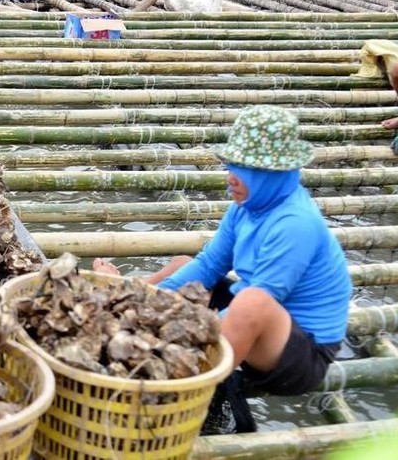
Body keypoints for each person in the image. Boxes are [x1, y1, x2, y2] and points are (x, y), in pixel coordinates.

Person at [95, 105, 352, 434]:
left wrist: (176, 337)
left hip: (303, 351)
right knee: (185, 266)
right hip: (262, 320)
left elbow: (260, 299)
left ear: (274, 172)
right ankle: (127, 298)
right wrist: (146, 302)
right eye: (232, 163)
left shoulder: (295, 223)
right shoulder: (245, 207)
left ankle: (190, 386)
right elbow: (210, 264)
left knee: (250, 302)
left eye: (244, 168)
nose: (231, 175)